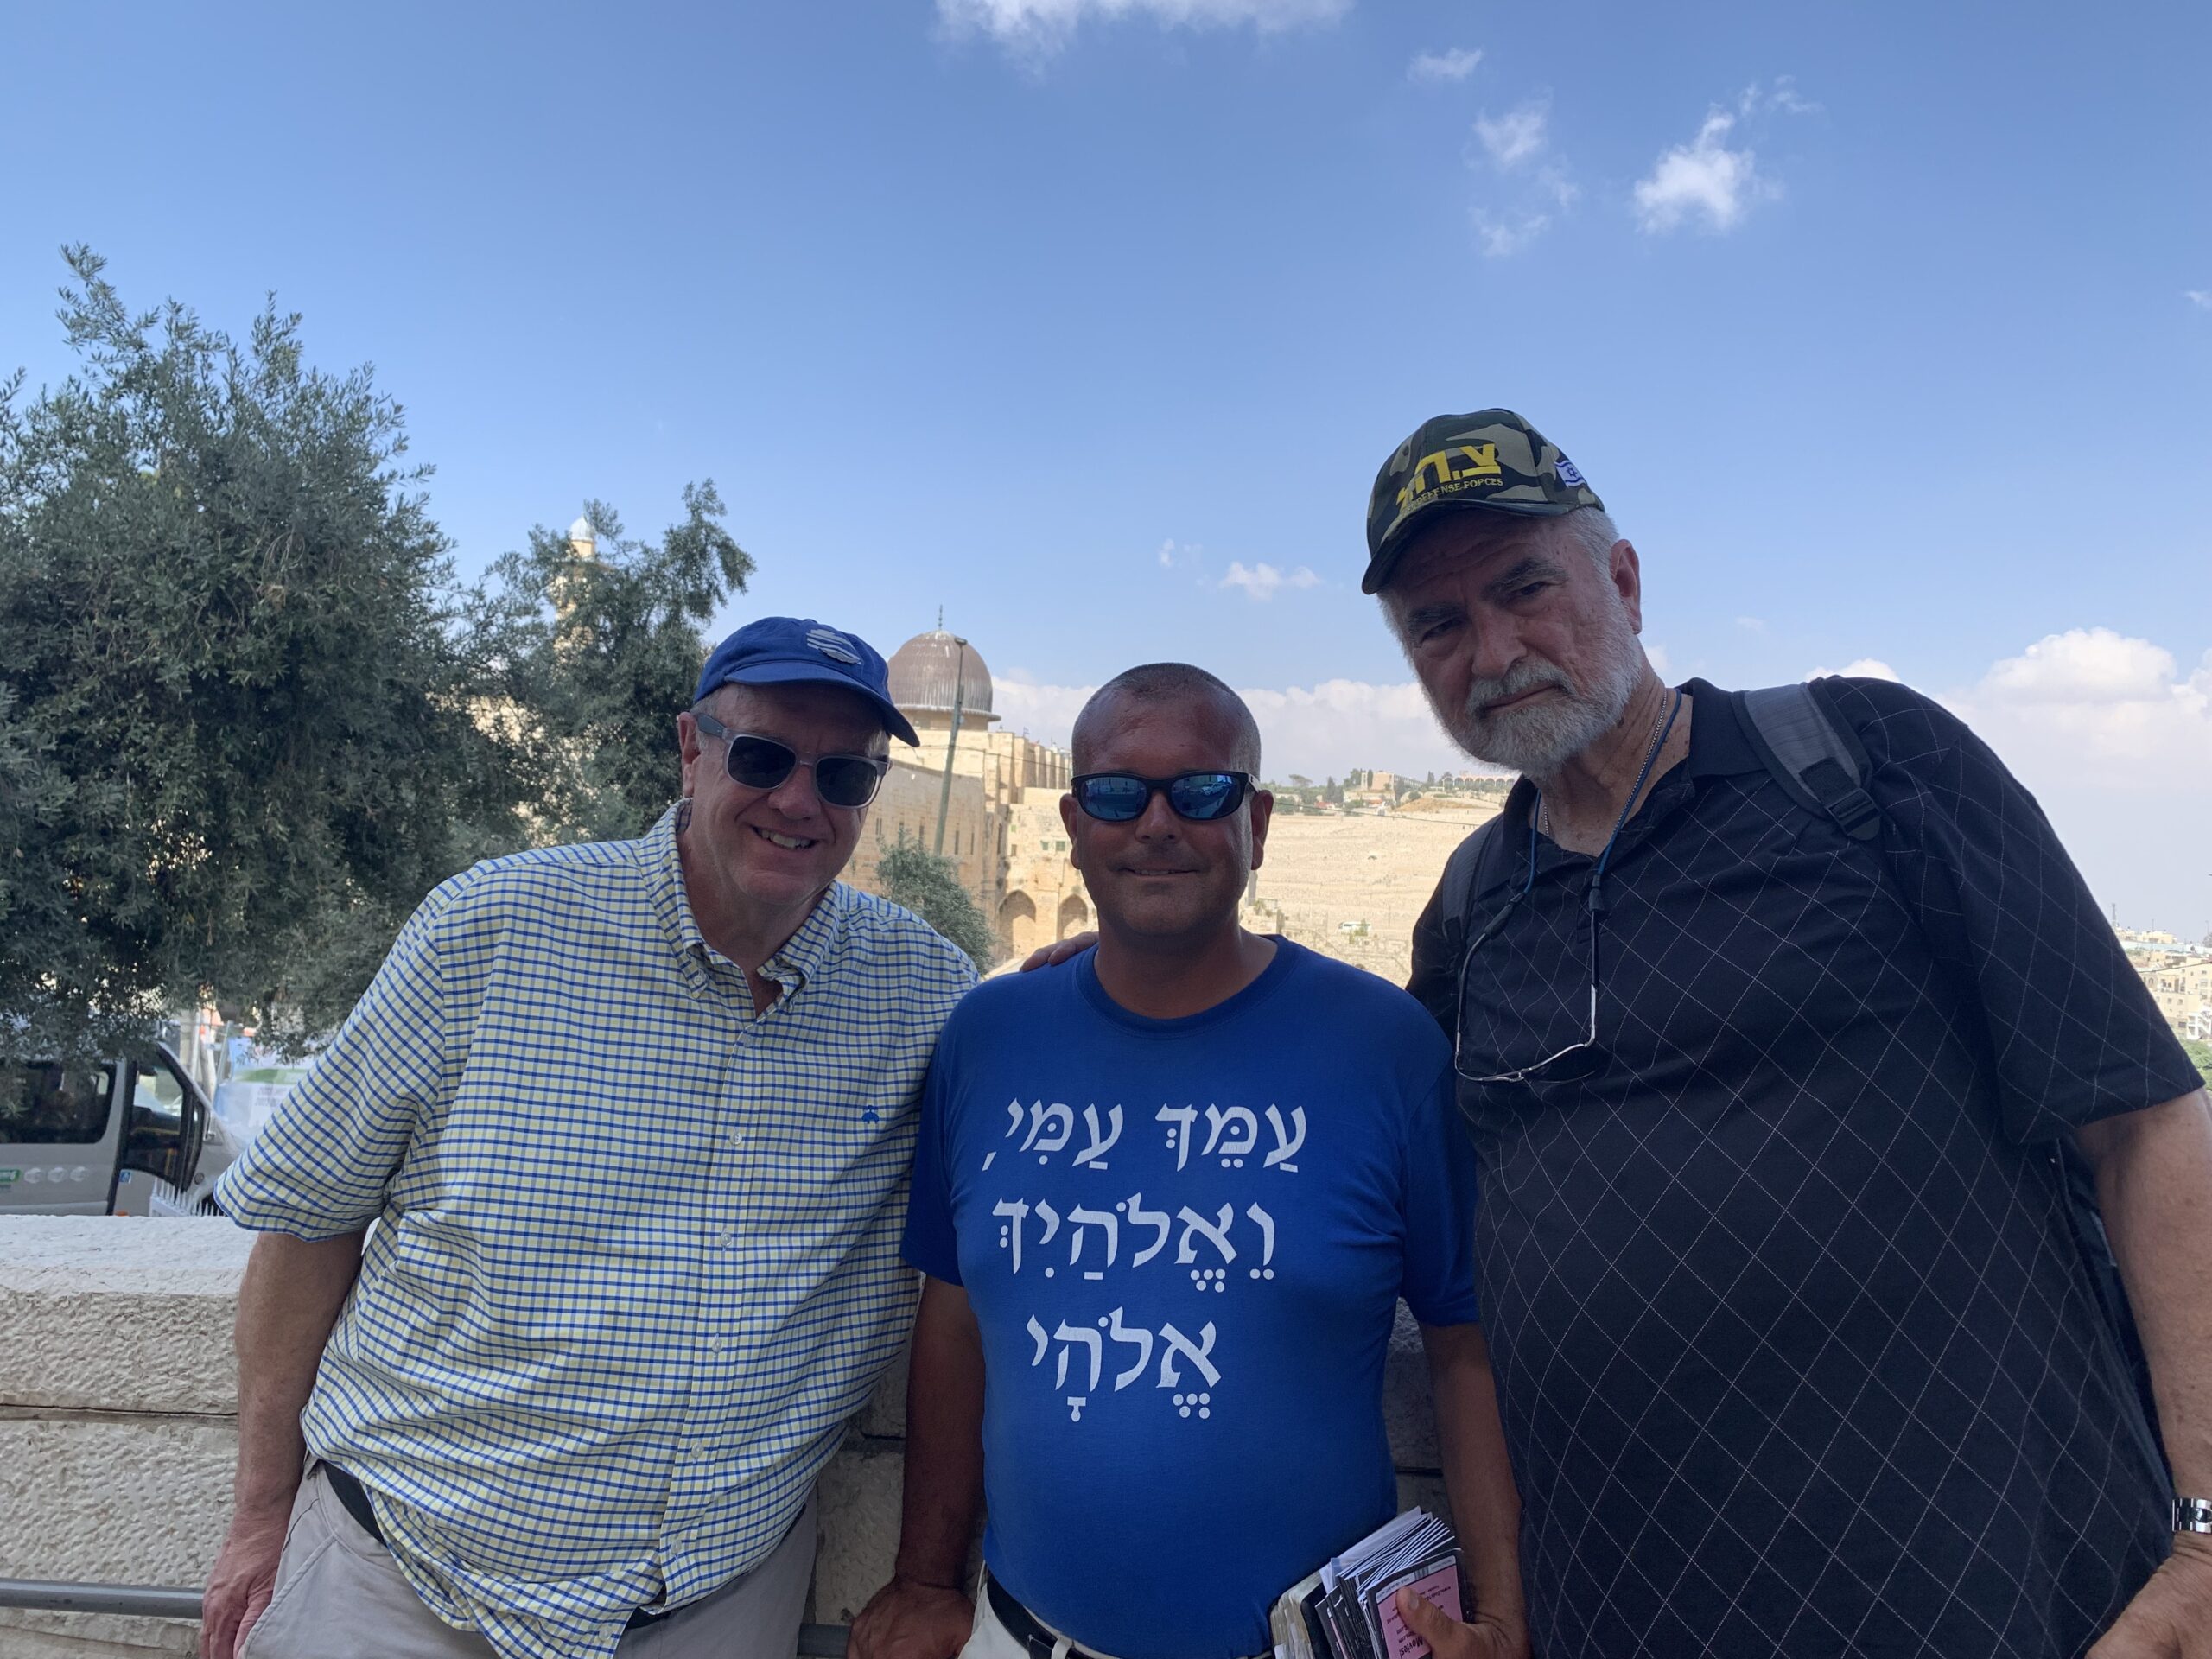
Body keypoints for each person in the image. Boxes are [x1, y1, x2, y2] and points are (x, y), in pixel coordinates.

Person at [1361, 410, 2212, 1658]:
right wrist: (1151, 963)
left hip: (1993, 1593)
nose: (1492, 648)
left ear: (1625, 580)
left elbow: (2144, 1124)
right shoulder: (1474, 907)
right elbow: (1395, 1150)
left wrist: (2205, 1535)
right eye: (1439, 624)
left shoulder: (1870, 763)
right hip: (1629, 1612)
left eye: (1523, 586)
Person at [201, 617, 979, 1659]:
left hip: (712, 1601)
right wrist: (257, 1519)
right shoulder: (487, 929)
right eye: (762, 758)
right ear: (690, 748)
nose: (801, 800)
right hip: (404, 1580)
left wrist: (1101, 968)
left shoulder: (924, 990)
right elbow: (308, 1227)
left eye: (843, 775)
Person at [851, 664, 1529, 1659]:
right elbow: (951, 1315)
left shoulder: (1384, 1049)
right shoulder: (988, 1037)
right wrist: (920, 1579)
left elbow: (1463, 1344)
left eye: (1199, 792)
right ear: (1075, 826)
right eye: (1118, 794)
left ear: (1257, 821)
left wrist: (1503, 1615)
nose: (1155, 823)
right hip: (1021, 1634)